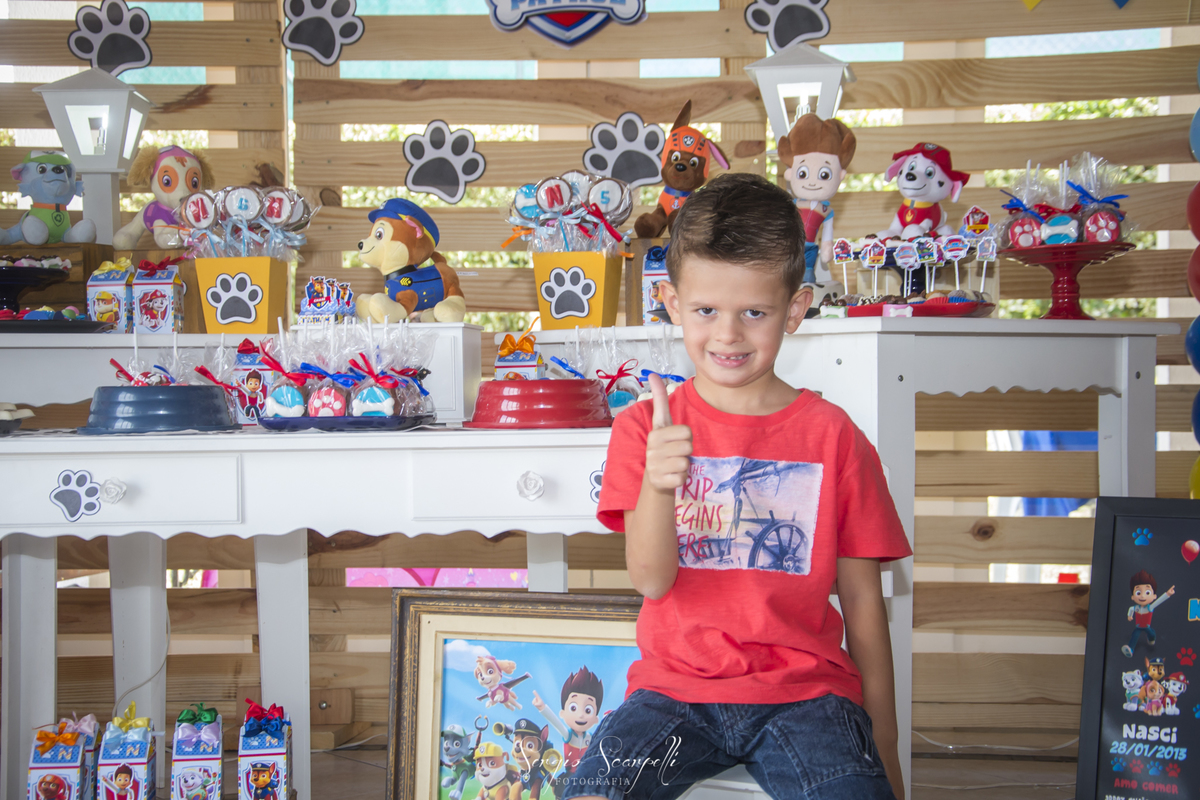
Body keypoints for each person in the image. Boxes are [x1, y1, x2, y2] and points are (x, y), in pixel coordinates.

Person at [562, 173, 911, 800]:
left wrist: (885, 747)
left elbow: (863, 601)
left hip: (807, 697)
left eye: (754, 312)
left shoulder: (835, 437)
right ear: (671, 303)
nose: (727, 334)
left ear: (795, 310)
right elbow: (651, 581)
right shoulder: (645, 429)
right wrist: (659, 485)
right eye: (706, 311)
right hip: (672, 695)